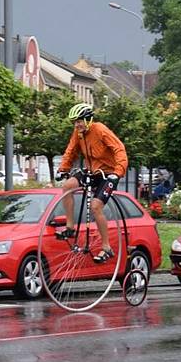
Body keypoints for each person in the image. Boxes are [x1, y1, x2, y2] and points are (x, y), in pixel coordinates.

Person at [55, 103, 128, 263]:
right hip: (92, 171)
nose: (77, 124)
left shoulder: (100, 130)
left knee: (95, 206)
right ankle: (70, 227)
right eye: (74, 122)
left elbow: (119, 149)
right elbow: (71, 150)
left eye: (79, 121)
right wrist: (63, 168)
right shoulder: (78, 133)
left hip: (108, 174)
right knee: (67, 186)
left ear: (88, 119)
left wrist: (118, 173)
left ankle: (106, 247)